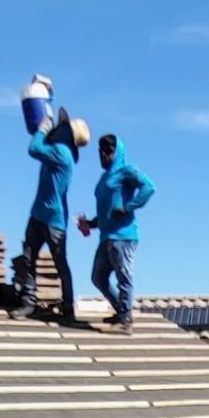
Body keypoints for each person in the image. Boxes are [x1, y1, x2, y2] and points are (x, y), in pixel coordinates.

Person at [12, 108, 87, 324]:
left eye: (63, 127)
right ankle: (29, 302)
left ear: (68, 135)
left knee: (60, 264)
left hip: (54, 220)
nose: (57, 128)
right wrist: (46, 103)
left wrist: (43, 128)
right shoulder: (59, 149)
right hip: (38, 214)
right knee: (28, 259)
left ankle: (67, 308)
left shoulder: (62, 153)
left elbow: (34, 148)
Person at [78, 134, 155, 335]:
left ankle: (126, 318)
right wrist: (90, 224)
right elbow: (105, 213)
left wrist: (128, 207)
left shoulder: (126, 171)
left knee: (124, 275)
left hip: (124, 236)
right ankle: (120, 309)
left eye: (108, 151)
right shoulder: (104, 179)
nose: (103, 155)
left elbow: (148, 188)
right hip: (107, 237)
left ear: (116, 152)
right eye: (100, 152)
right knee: (98, 277)